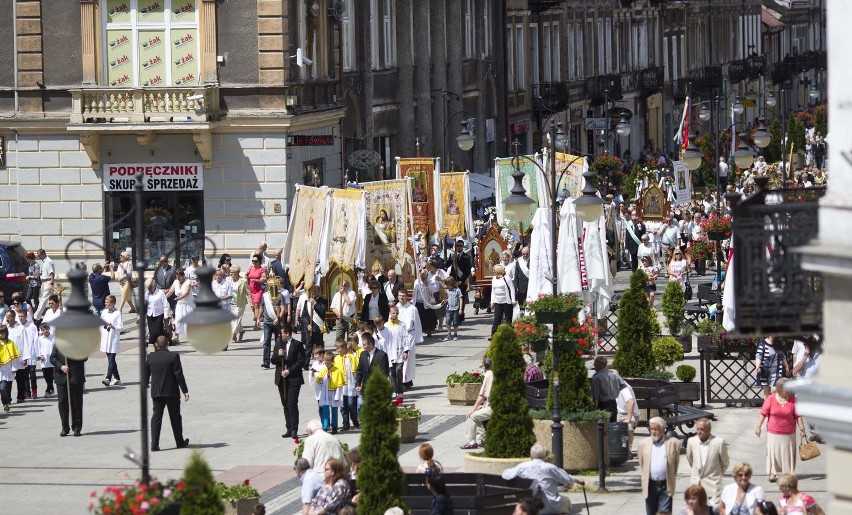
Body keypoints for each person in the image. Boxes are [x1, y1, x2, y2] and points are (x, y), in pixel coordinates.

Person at [501, 443, 585, 514]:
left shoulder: (522, 466)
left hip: (530, 507)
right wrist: (577, 480)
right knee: (567, 501)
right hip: (551, 506)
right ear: (545, 455)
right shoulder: (549, 467)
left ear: (530, 456)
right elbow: (567, 479)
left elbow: (506, 474)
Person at [754, 378, 805, 483]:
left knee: (787, 454)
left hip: (789, 432)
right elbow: (763, 413)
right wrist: (758, 426)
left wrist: (802, 429)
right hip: (773, 432)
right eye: (786, 389)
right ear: (779, 389)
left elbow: (798, 415)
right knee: (773, 453)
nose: (788, 391)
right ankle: (772, 473)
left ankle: (788, 473)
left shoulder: (793, 400)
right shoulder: (771, 399)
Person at [146, 335, 190, 451]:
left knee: (156, 418)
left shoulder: (151, 357)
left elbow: (146, 373)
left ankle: (154, 445)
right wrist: (185, 390)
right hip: (172, 392)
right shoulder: (173, 356)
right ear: (167, 344)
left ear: (156, 344)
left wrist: (146, 383)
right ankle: (179, 442)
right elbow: (179, 375)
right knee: (175, 417)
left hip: (157, 393)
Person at [638, 417, 681, 515]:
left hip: (666, 486)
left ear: (663, 429)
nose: (653, 432)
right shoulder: (643, 444)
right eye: (651, 429)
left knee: (664, 512)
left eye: (655, 429)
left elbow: (675, 464)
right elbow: (642, 463)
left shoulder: (674, 443)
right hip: (650, 486)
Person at [686, 418, 730, 510]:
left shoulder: (719, 442)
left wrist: (717, 474)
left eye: (702, 429)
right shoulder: (691, 441)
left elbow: (725, 462)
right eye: (697, 429)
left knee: (714, 511)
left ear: (709, 429)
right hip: (696, 484)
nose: (699, 432)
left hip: (713, 485)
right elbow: (690, 460)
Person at [272, 324, 305, 438]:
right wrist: (278, 355)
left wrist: (289, 371)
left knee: (292, 404)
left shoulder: (297, 345)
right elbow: (273, 360)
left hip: (294, 378)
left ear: (287, 333)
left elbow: (301, 361)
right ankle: (288, 427)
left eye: (282, 333)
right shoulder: (279, 344)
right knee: (285, 404)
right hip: (281, 379)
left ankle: (294, 429)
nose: (280, 335)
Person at [50, 343, 87, 436]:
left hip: (75, 377)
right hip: (61, 377)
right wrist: (61, 366)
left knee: (76, 403)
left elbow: (85, 357)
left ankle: (77, 427)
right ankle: (65, 428)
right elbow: (52, 358)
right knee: (62, 403)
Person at [460, 358, 493, 449]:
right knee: (479, 413)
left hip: (494, 408)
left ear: (484, 367)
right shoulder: (495, 374)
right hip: (494, 405)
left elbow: (482, 396)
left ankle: (472, 442)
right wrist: (483, 406)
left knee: (472, 416)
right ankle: (483, 438)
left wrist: (473, 409)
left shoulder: (489, 375)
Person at [354, 332, 389, 409]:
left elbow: (385, 373)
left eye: (364, 345)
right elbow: (359, 370)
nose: (362, 347)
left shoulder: (382, 355)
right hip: (365, 388)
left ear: (371, 345)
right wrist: (358, 383)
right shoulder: (363, 354)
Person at [396, 288, 422, 388]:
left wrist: (418, 338)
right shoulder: (395, 308)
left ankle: (406, 380)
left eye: (403, 296)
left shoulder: (412, 308)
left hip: (409, 335)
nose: (401, 298)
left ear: (406, 296)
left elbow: (417, 323)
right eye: (399, 296)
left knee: (408, 359)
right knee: (399, 358)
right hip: (398, 336)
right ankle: (402, 380)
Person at [315, 351, 345, 433]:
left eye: (328, 363)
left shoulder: (337, 371)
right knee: (325, 410)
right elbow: (318, 380)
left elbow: (339, 385)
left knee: (334, 410)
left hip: (333, 393)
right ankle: (325, 426)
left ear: (332, 361)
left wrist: (337, 396)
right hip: (325, 393)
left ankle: (334, 426)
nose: (326, 364)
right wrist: (319, 380)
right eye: (325, 362)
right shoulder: (323, 370)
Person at [385, 305, 411, 398]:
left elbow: (406, 338)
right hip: (390, 353)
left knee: (399, 372)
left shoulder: (402, 325)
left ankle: (400, 391)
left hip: (399, 352)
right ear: (390, 313)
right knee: (391, 373)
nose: (395, 315)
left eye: (397, 313)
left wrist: (406, 351)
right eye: (393, 313)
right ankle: (393, 390)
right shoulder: (386, 326)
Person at [99, 295, 123, 387]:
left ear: (112, 303)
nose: (106, 304)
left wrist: (113, 327)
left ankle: (108, 378)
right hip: (106, 338)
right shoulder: (104, 312)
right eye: (105, 302)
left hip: (113, 338)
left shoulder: (117, 313)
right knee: (110, 360)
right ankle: (117, 378)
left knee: (111, 359)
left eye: (107, 302)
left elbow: (120, 326)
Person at [334, 340, 358, 432]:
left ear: (344, 348)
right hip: (341, 386)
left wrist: (357, 382)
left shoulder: (351, 357)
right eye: (336, 348)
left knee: (351, 404)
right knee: (343, 406)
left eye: (339, 348)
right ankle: (345, 424)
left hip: (351, 384)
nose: (337, 350)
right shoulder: (336, 359)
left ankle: (355, 420)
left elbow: (356, 370)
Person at [591, 355, 624, 422]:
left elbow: (595, 396)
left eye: (595, 364)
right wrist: (615, 392)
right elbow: (622, 385)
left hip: (603, 405)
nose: (594, 365)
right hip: (613, 404)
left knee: (602, 427)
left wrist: (595, 410)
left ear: (599, 365)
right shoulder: (614, 374)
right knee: (612, 425)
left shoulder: (597, 378)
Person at [165, 268, 194, 345]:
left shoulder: (188, 282)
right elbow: (171, 291)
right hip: (180, 304)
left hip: (188, 304)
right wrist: (163, 298)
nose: (178, 278)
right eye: (177, 276)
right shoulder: (175, 282)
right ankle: (176, 338)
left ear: (183, 276)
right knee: (177, 320)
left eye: (179, 276)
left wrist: (178, 298)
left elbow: (186, 293)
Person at [489, 264, 516, 337]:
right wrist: (492, 302)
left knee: (508, 319)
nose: (493, 271)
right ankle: (494, 335)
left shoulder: (506, 278)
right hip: (498, 301)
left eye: (494, 270)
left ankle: (510, 334)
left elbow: (512, 289)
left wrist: (513, 300)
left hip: (507, 302)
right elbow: (493, 291)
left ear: (498, 270)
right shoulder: (494, 279)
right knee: (496, 319)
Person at [0, 325, 22, 413]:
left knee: (3, 387)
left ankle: (5, 403)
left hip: (7, 368)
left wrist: (14, 368)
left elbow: (14, 357)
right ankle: (6, 401)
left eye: (2, 333)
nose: (1, 335)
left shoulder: (11, 343)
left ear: (6, 333)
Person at [447, 239, 473, 307]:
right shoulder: (452, 255)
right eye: (457, 246)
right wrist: (450, 259)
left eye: (460, 246)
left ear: (463, 246)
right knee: (453, 299)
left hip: (462, 281)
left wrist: (461, 280)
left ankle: (461, 316)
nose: (459, 247)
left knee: (461, 300)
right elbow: (446, 265)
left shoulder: (467, 257)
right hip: (453, 281)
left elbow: (467, 271)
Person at [145, 278, 169, 346]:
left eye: (150, 287)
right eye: (148, 288)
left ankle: (160, 345)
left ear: (154, 285)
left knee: (158, 332)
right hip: (150, 315)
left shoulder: (160, 293)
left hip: (159, 315)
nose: (149, 289)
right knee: (152, 332)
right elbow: (144, 306)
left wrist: (166, 315)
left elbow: (166, 304)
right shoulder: (146, 294)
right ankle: (155, 347)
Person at [246, 254, 268, 329]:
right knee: (252, 306)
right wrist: (246, 274)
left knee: (256, 305)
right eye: (253, 261)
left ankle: (256, 323)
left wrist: (257, 280)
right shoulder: (250, 268)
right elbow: (247, 277)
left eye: (255, 261)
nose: (254, 262)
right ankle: (257, 317)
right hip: (250, 290)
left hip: (258, 290)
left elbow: (264, 279)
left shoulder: (261, 269)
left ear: (259, 262)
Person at [229, 266, 249, 343]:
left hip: (240, 303)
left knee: (236, 318)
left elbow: (248, 292)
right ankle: (241, 331)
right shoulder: (228, 280)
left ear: (237, 273)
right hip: (230, 303)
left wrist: (252, 303)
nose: (231, 274)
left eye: (233, 272)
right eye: (230, 272)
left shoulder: (243, 281)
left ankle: (233, 334)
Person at [616, 381, 638, 451]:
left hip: (628, 414)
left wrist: (628, 418)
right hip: (617, 413)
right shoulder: (611, 386)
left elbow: (631, 402)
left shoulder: (624, 387)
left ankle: (628, 450)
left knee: (627, 428)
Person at [34, 248, 55, 319]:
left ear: (43, 254)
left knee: (43, 300)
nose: (39, 257)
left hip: (48, 282)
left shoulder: (48, 261)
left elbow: (51, 273)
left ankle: (36, 317)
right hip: (44, 282)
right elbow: (45, 272)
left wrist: (51, 283)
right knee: (53, 299)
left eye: (39, 255)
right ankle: (56, 312)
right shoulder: (44, 261)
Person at [36, 323, 55, 396]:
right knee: (46, 376)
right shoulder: (40, 339)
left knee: (51, 376)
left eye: (46, 329)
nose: (45, 331)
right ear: (41, 331)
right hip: (44, 360)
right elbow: (38, 348)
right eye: (43, 330)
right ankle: (51, 388)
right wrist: (39, 355)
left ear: (49, 329)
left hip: (52, 360)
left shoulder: (53, 338)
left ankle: (48, 390)